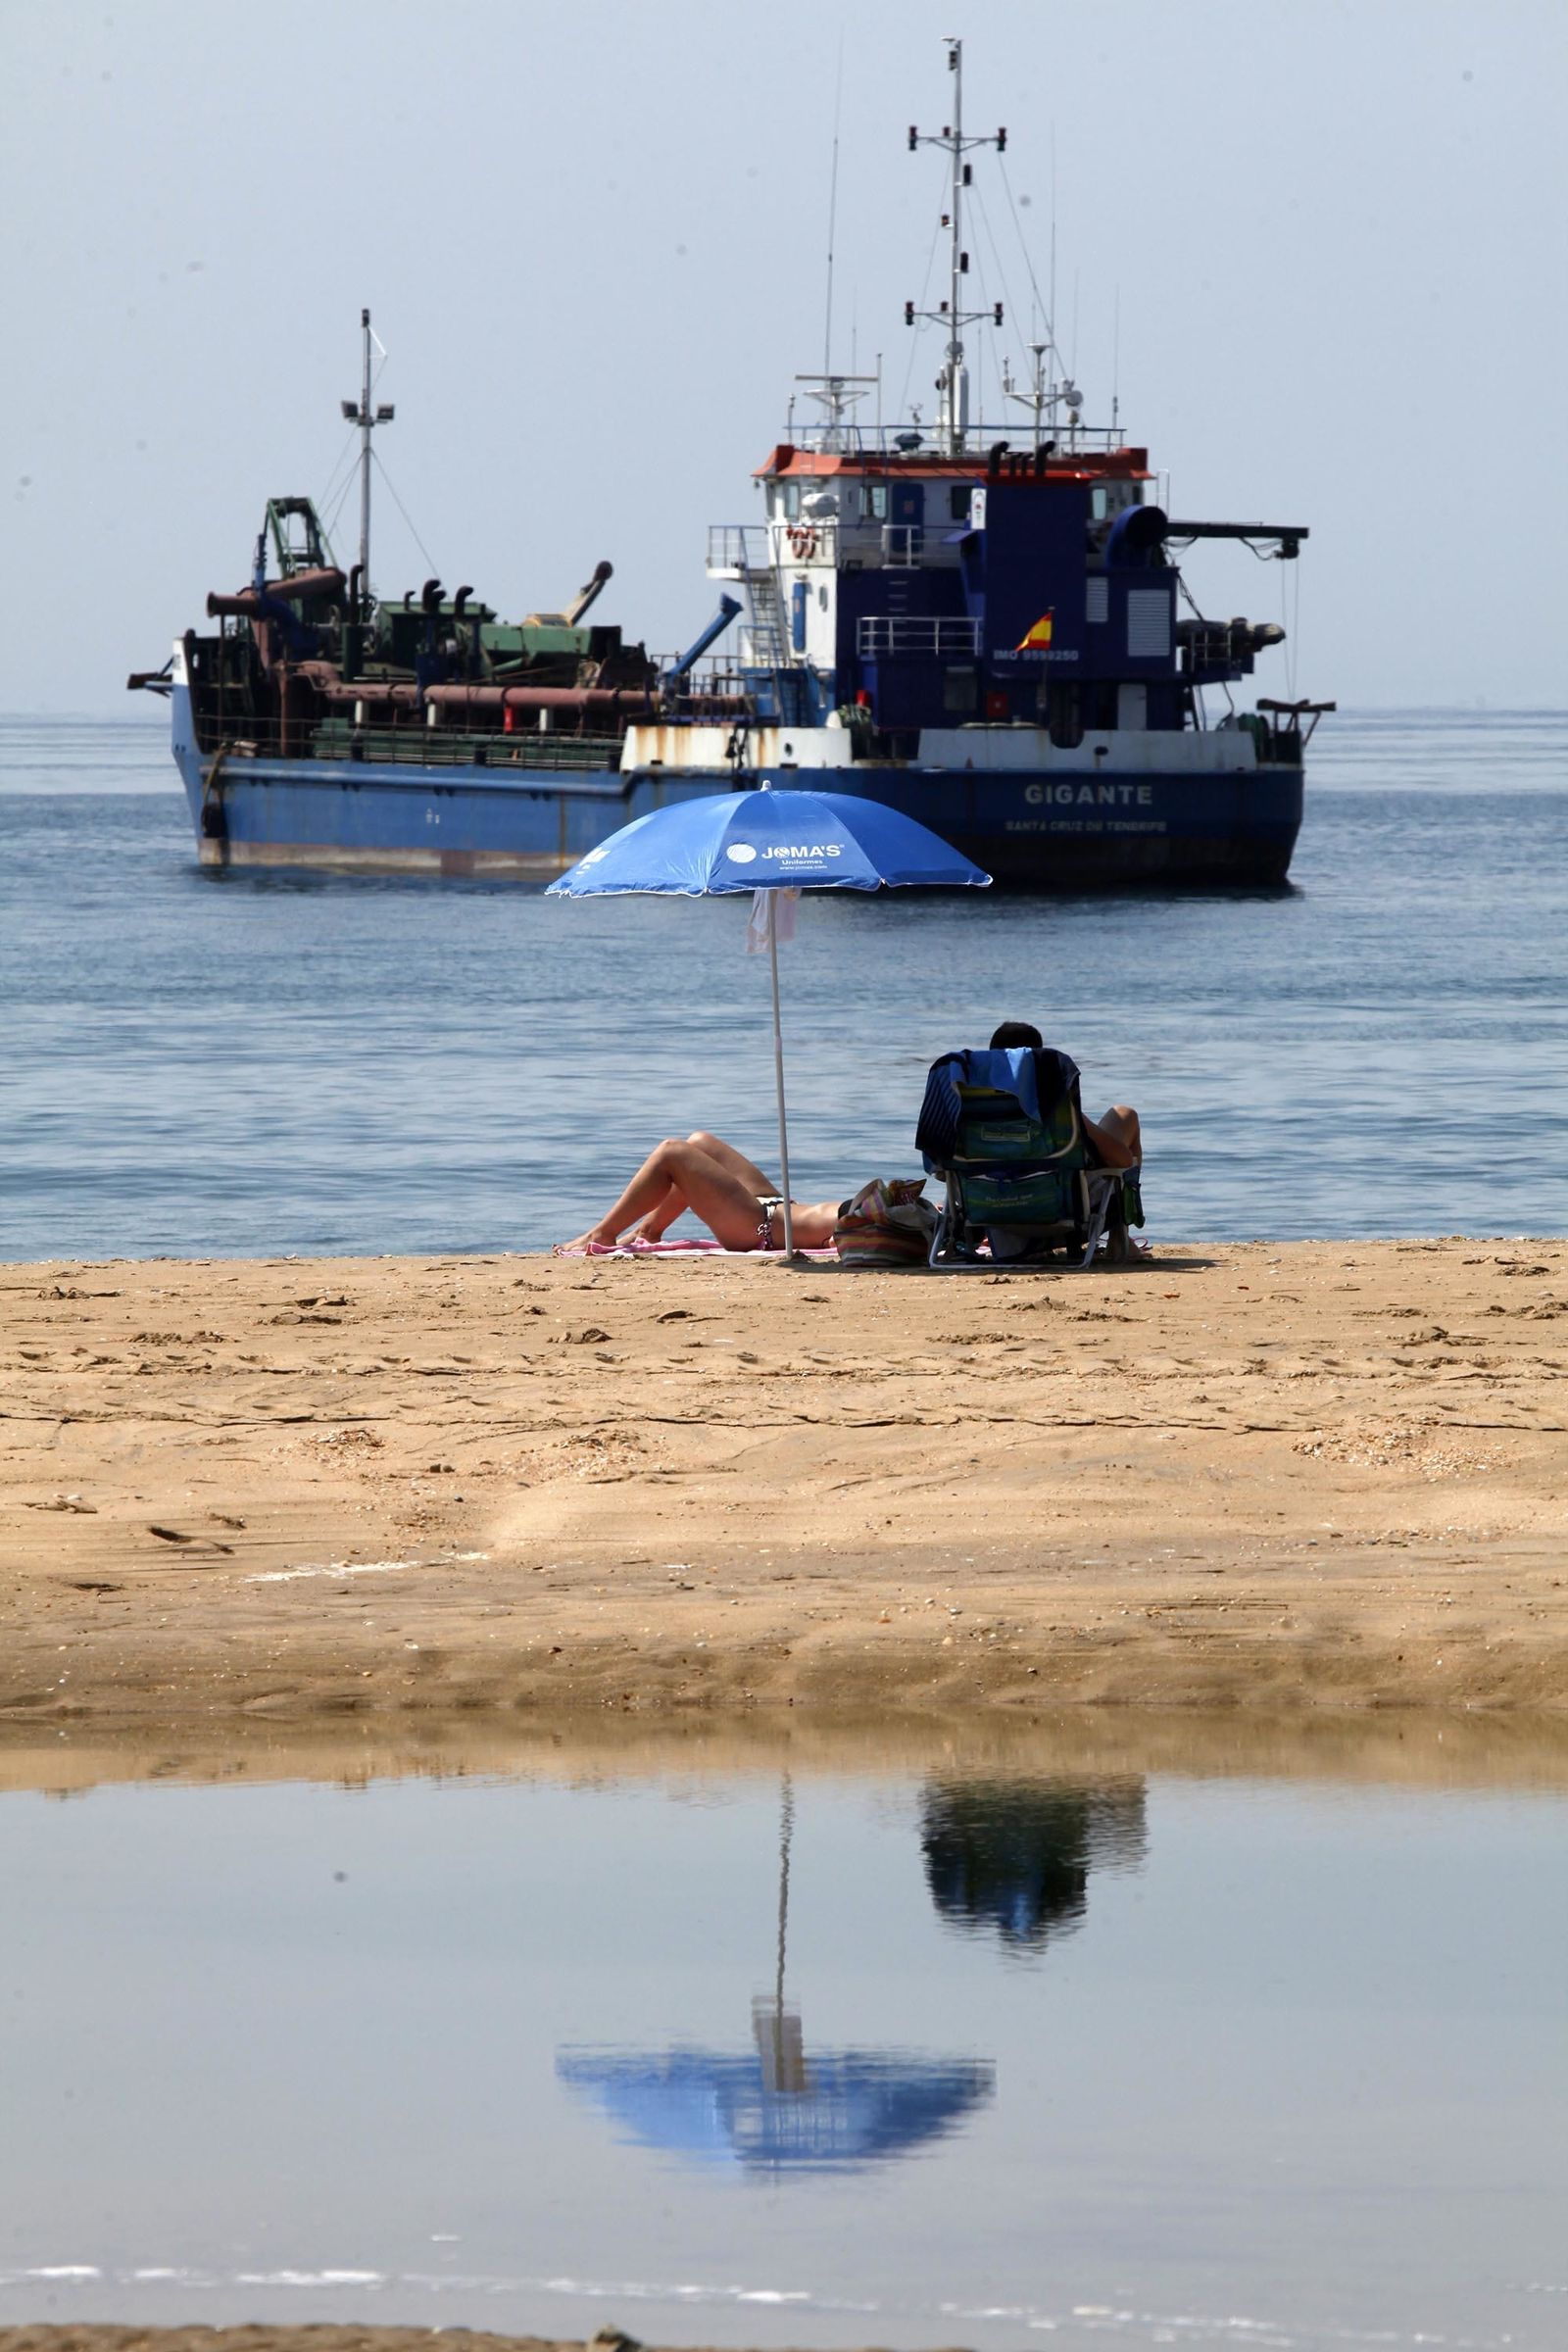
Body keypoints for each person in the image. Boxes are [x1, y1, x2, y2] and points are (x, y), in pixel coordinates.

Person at [558, 1131, 844, 1254]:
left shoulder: (879, 1221)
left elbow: (854, 1243)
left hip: (760, 1229)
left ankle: (602, 1234)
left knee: (672, 1152)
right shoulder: (879, 1206)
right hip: (775, 1205)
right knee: (699, 1142)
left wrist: (840, 1241)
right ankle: (648, 1231)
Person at [988, 1020, 1142, 1168]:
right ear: (1038, 1060)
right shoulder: (1054, 1105)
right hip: (1056, 1188)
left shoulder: (972, 1105)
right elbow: (1123, 1160)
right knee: (1125, 1114)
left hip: (982, 1190)